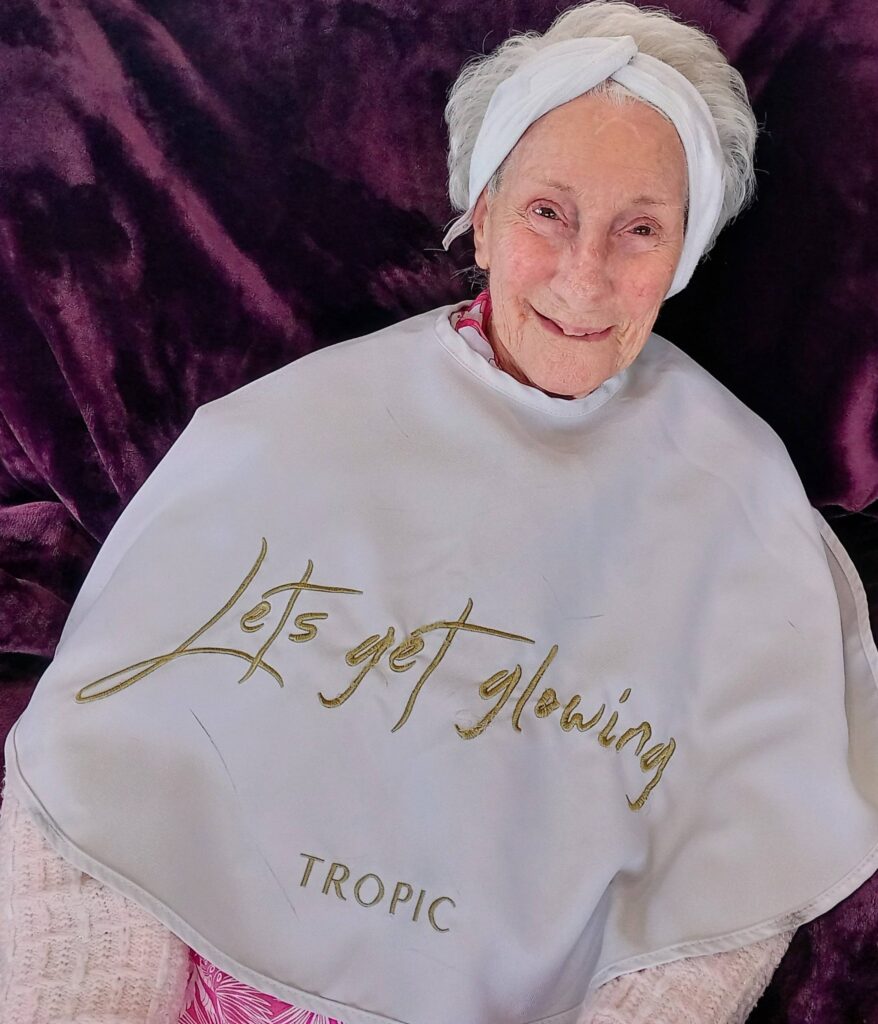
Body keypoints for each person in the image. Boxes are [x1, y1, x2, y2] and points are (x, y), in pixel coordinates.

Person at [2, 2, 877, 1022]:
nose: (584, 275)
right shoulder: (295, 427)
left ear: (682, 252)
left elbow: (733, 867)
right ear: (486, 209)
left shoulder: (739, 501)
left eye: (638, 228)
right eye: (548, 211)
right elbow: (104, 764)